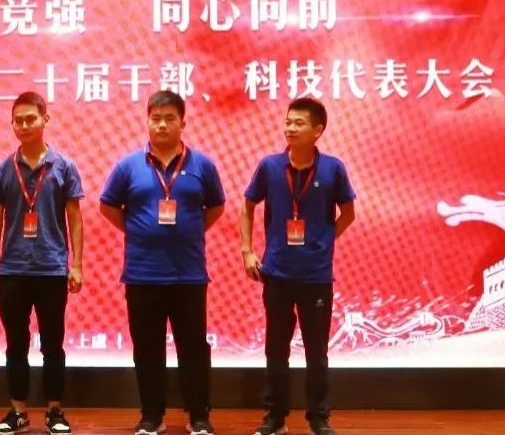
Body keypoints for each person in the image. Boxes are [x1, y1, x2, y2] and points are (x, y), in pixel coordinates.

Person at [99, 90, 225, 435]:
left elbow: (216, 206)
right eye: (156, 118)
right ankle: (151, 416)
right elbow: (108, 206)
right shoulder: (128, 166)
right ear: (147, 121)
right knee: (147, 350)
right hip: (142, 274)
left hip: (188, 274)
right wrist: (138, 230)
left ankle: (198, 415)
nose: (162, 125)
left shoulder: (202, 166)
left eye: (170, 118)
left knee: (193, 350)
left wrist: (190, 230)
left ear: (183, 123)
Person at [239, 97, 357, 435]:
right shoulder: (270, 167)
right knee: (276, 349)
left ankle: (318, 418)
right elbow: (247, 205)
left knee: (316, 352)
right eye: (288, 121)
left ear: (317, 130)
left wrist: (324, 239)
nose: (290, 128)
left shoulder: (333, 169)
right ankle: (275, 417)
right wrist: (247, 251)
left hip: (316, 276)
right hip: (276, 272)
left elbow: (348, 213)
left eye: (299, 123)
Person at [0, 92, 85, 435]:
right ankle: (18, 412)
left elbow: (75, 218)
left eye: (31, 118)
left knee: (53, 343)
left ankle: (55, 411)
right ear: (12, 124)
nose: (25, 125)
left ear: (46, 120)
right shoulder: (3, 169)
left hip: (52, 269)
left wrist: (76, 264)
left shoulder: (64, 166)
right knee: (16, 343)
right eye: (19, 120)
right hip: (12, 270)